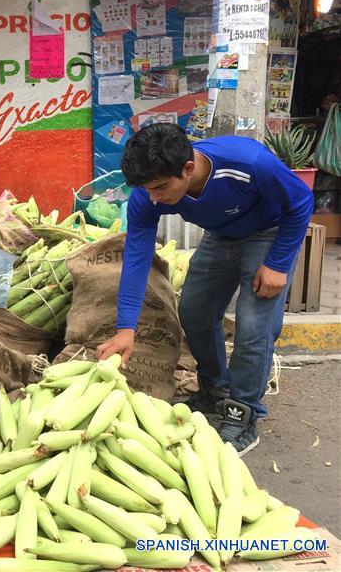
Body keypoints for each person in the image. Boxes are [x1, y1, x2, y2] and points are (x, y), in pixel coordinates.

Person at [97, 123, 313, 456]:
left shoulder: (249, 163)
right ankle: (214, 390)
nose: (153, 198)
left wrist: (279, 263)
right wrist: (127, 328)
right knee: (194, 312)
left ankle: (243, 413)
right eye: (147, 190)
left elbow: (301, 200)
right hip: (220, 236)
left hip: (269, 233)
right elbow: (137, 258)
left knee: (254, 323)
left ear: (187, 169)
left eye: (160, 188)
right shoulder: (147, 195)